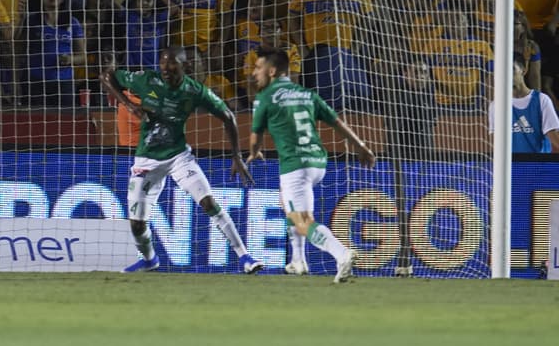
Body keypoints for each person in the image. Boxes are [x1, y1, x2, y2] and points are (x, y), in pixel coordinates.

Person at [98, 45, 260, 275]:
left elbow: (228, 116)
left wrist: (236, 155)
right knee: (136, 224)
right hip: (147, 161)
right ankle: (149, 260)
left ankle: (245, 257)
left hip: (178, 157)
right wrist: (129, 104)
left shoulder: (194, 91)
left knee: (208, 203)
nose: (165, 67)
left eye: (172, 62)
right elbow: (107, 76)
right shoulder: (147, 80)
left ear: (186, 66)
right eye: (163, 62)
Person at [248, 46, 376, 282]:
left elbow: (255, 135)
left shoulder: (265, 97)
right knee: (286, 201)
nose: (254, 72)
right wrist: (361, 147)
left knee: (303, 221)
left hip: (295, 164)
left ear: (273, 71)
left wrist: (253, 153)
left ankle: (342, 253)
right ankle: (298, 260)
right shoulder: (308, 94)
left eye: (258, 67)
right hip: (317, 161)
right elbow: (337, 122)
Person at [492, 61, 559, 153]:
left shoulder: (541, 100)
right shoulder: (496, 105)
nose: (507, 74)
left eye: (512, 69)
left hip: (539, 164)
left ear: (524, 70)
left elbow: (553, 134)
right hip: (511, 164)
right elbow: (495, 141)